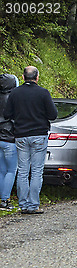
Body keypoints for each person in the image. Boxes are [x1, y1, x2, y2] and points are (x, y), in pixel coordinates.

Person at [3, 66, 58, 214]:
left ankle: (23, 205)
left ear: (23, 77)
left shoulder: (15, 93)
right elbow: (53, 114)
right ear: (37, 77)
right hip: (39, 135)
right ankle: (33, 205)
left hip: (20, 135)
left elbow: (7, 114)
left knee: (22, 171)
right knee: (36, 171)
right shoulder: (43, 93)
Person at [0, 73, 19, 210]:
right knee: (11, 170)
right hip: (9, 138)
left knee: (1, 170)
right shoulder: (13, 99)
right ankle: (5, 200)